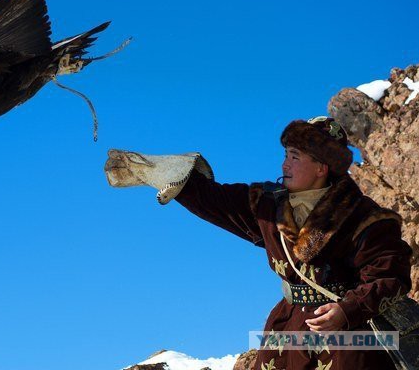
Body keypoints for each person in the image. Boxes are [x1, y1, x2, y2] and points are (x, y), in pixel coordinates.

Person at [107, 116, 412, 370]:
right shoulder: (267, 205)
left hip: (348, 333)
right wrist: (156, 171)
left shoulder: (368, 218)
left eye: (295, 157)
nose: (285, 165)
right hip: (286, 328)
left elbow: (389, 277)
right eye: (285, 155)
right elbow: (216, 201)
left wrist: (347, 311)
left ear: (322, 167)